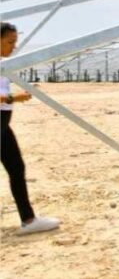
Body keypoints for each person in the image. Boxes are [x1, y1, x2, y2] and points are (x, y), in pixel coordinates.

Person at [1, 22, 61, 235]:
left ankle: (29, 220)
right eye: (10, 42)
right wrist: (13, 97)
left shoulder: (3, 64)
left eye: (15, 42)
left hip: (3, 124)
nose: (13, 47)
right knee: (16, 168)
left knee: (16, 168)